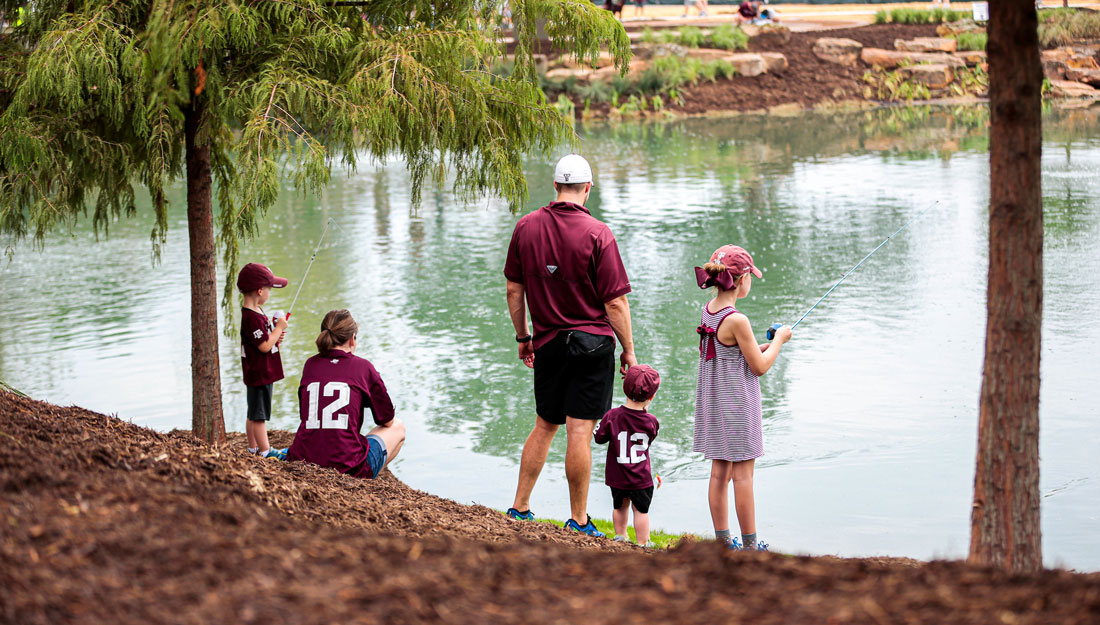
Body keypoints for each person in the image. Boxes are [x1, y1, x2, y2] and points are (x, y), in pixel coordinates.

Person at [503, 153, 637, 538]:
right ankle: (578, 520)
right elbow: (615, 302)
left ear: (556, 187)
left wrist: (524, 337)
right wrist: (628, 349)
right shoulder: (598, 233)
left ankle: (520, 507)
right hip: (592, 346)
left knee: (545, 425)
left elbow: (514, 288)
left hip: (546, 345)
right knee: (580, 431)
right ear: (588, 188)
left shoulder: (525, 227)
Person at [693, 245, 791, 551]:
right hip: (737, 405)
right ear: (742, 279)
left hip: (716, 403)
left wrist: (762, 346)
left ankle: (724, 543)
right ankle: (750, 547)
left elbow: (731, 353)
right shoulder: (738, 320)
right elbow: (759, 367)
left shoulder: (709, 310)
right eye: (751, 276)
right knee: (744, 477)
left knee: (719, 472)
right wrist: (780, 341)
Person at [286, 310, 405, 479]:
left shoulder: (309, 365)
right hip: (349, 467)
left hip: (303, 459)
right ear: (352, 339)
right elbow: (386, 419)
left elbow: (304, 414)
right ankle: (367, 479)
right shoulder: (363, 367)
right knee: (398, 427)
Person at [593, 364, 661, 547]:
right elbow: (650, 439)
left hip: (618, 476)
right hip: (641, 477)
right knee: (641, 511)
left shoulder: (612, 416)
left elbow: (598, 438)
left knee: (620, 507)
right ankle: (642, 543)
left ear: (625, 388)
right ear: (652, 396)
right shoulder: (651, 421)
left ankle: (620, 536)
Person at [238, 262, 290, 460]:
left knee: (253, 412)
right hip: (259, 374)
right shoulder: (251, 317)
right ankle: (267, 452)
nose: (269, 293)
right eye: (269, 289)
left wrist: (276, 335)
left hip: (259, 371)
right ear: (260, 291)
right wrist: (278, 329)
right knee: (259, 415)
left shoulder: (256, 312)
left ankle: (253, 449)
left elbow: (265, 341)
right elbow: (263, 347)